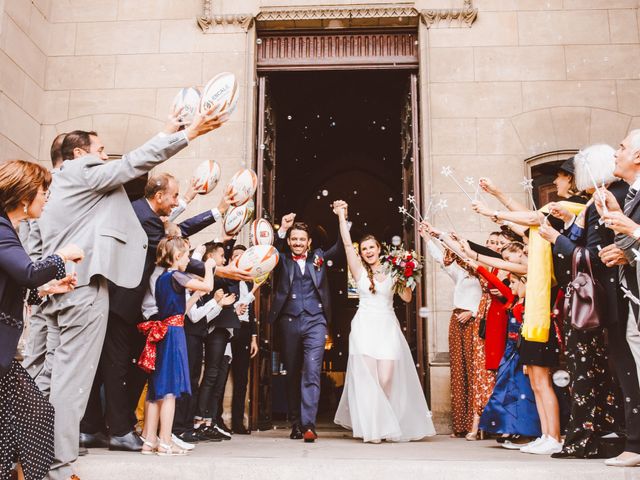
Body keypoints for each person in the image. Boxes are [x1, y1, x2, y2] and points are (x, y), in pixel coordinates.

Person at [35, 106, 226, 480]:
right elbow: (133, 165)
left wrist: (166, 130)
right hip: (84, 286)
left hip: (57, 288)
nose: (105, 156)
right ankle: (57, 467)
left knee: (46, 376)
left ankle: (28, 452)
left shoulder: (58, 187)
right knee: (73, 382)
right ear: (78, 155)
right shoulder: (80, 171)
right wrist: (187, 135)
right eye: (101, 149)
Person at [81, 173, 235, 452]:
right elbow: (171, 246)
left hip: (129, 306)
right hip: (122, 304)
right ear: (160, 196)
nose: (178, 201)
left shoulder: (146, 212)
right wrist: (218, 269)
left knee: (127, 368)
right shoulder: (145, 218)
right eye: (174, 196)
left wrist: (217, 211)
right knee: (118, 368)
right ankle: (118, 430)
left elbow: (177, 232)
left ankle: (96, 427)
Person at [538, 144, 625, 459]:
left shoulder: (604, 200)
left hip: (593, 301)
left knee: (589, 371)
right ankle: (595, 435)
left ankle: (588, 438)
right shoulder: (591, 203)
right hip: (586, 298)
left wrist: (555, 239)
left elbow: (594, 258)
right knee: (589, 372)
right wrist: (565, 225)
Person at [0, 160, 83, 480]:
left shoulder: (9, 228)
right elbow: (26, 272)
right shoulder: (2, 228)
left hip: (4, 355)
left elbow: (15, 283)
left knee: (29, 417)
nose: (46, 197)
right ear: (24, 196)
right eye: (43, 191)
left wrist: (47, 289)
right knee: (34, 416)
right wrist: (62, 256)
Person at [333, 203, 435, 443]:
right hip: (364, 326)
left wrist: (406, 275)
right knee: (369, 380)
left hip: (387, 326)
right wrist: (341, 217)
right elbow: (348, 245)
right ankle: (373, 429)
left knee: (386, 378)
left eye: (372, 247)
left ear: (380, 249)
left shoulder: (393, 271)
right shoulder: (358, 270)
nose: (368, 251)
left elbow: (407, 298)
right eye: (365, 248)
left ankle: (386, 423)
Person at [269, 205, 346, 443]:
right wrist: (281, 229)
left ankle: (309, 425)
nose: (298, 243)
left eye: (302, 239)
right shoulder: (281, 259)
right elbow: (267, 251)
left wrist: (342, 217)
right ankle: (295, 423)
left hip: (315, 320)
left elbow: (341, 247)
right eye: (294, 239)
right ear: (290, 241)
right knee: (292, 373)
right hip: (289, 321)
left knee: (312, 371)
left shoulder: (319, 257)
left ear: (309, 241)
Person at [138, 236, 216, 455]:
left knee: (157, 391)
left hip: (164, 330)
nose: (189, 259)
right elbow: (209, 285)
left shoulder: (163, 278)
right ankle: (165, 441)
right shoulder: (178, 275)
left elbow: (178, 312)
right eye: (187, 255)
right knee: (170, 391)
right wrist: (209, 266)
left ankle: (149, 440)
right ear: (177, 256)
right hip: (173, 335)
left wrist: (195, 297)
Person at [593, 129, 640, 467]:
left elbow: (636, 232)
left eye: (622, 148)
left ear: (638, 157)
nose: (615, 153)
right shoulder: (631, 196)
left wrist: (632, 232)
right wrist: (617, 213)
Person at [421, 226, 482, 437]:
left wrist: (473, 312)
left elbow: (491, 295)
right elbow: (440, 258)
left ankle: (478, 424)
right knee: (458, 370)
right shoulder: (460, 273)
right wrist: (428, 238)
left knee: (474, 371)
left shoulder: (482, 271)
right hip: (457, 320)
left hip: (475, 320)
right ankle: (460, 424)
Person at [228, 244, 259, 434]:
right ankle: (216, 419)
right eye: (235, 255)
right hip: (229, 329)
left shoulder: (248, 282)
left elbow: (252, 313)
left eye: (242, 256)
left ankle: (238, 423)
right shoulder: (226, 281)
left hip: (245, 331)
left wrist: (254, 337)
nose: (238, 259)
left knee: (241, 379)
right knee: (221, 376)